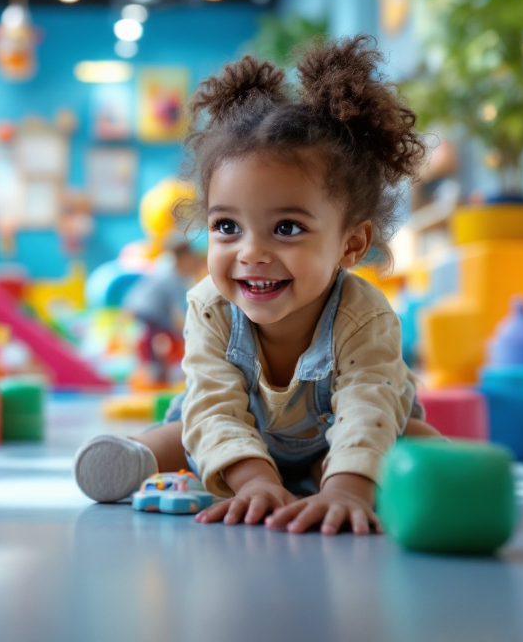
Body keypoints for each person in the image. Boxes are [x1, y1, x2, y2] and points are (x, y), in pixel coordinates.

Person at [73, 37, 441, 535]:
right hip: (232, 434)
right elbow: (215, 406)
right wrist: (253, 482)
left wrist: (347, 489)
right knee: (181, 433)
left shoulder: (365, 313)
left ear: (351, 245)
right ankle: (137, 459)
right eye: (227, 227)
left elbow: (368, 405)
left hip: (337, 436)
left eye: (286, 228)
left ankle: (328, 477)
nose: (250, 253)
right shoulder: (211, 306)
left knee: (407, 438)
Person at [122, 234, 206, 385]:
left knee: (156, 336)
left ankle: (158, 369)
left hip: (140, 306)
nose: (192, 267)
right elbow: (179, 308)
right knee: (167, 336)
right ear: (181, 260)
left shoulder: (166, 271)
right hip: (148, 309)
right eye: (190, 262)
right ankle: (156, 371)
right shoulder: (173, 277)